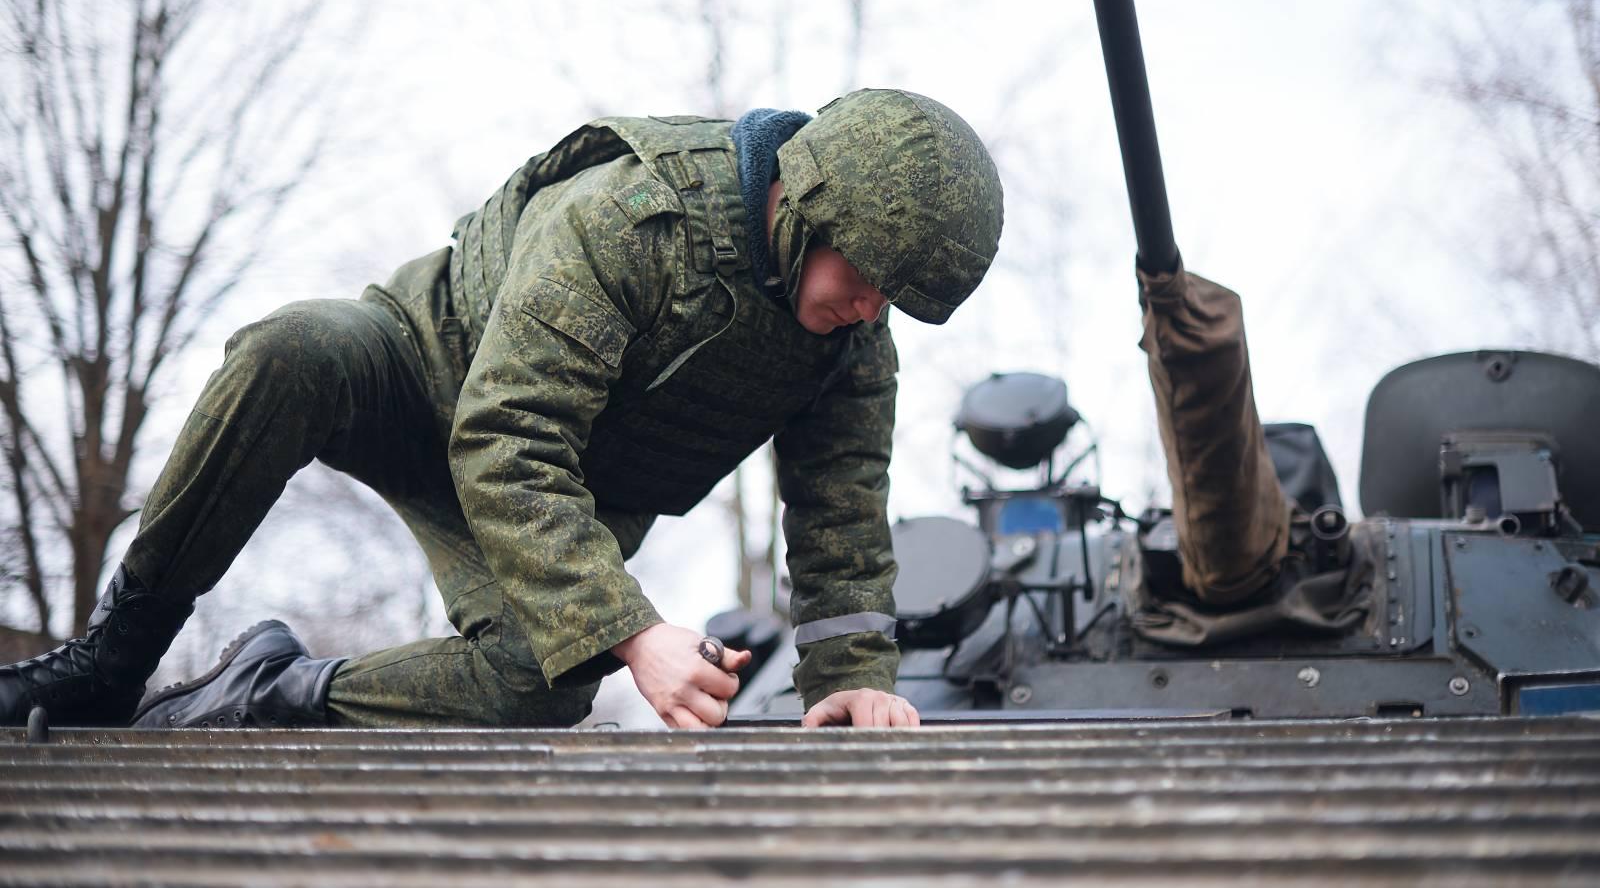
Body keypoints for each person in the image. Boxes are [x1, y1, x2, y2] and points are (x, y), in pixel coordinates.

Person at [0, 88, 1003, 731]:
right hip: (416, 376)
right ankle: (109, 661)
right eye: (867, 277)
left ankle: (271, 694)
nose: (871, 309)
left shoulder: (847, 346)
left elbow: (840, 518)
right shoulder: (632, 220)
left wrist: (851, 676)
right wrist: (636, 630)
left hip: (548, 493)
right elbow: (505, 433)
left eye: (895, 299)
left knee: (543, 681)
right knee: (291, 352)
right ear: (807, 206)